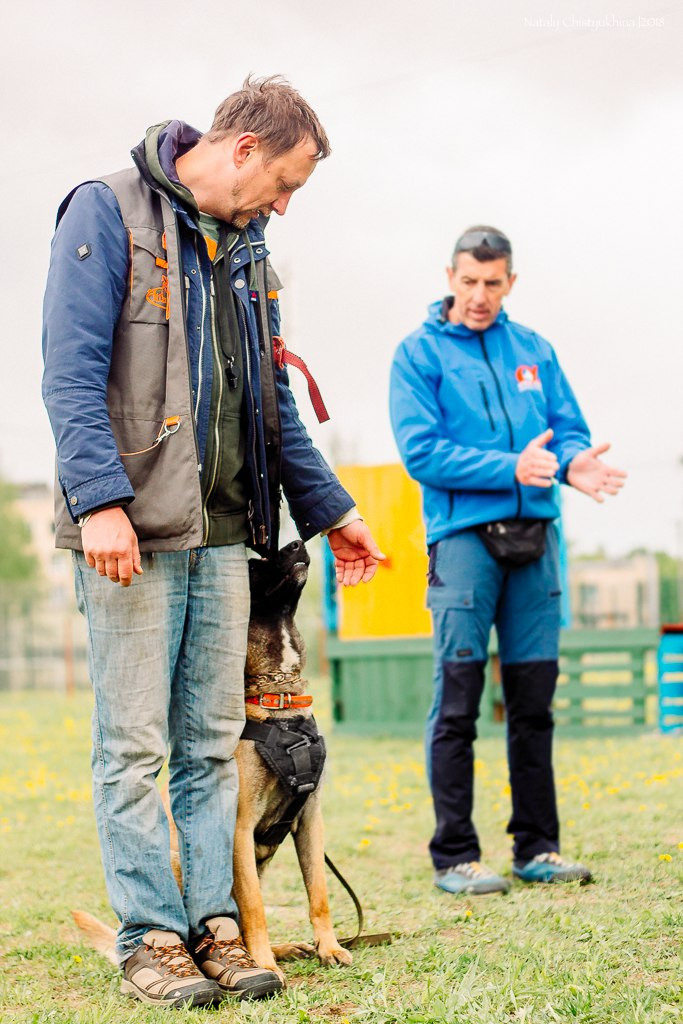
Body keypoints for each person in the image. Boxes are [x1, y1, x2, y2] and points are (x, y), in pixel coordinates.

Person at [42, 76, 383, 1008]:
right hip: (132, 534)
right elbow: (69, 373)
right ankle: (151, 939)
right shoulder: (104, 212)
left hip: (230, 535)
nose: (283, 205)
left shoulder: (248, 251)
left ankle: (214, 929)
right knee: (133, 748)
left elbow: (272, 399)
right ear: (242, 149)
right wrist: (100, 501)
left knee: (209, 745)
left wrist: (331, 509)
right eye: (284, 184)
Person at [389, 226, 626, 897]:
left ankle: (537, 848)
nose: (479, 295)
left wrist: (573, 462)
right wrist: (508, 467)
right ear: (450, 277)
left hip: (537, 539)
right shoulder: (418, 354)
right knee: (458, 702)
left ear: (510, 283)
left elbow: (567, 429)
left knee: (534, 702)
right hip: (463, 540)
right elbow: (421, 452)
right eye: (468, 281)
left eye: (492, 283)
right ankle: (455, 856)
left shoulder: (534, 350)